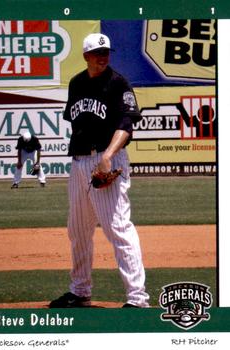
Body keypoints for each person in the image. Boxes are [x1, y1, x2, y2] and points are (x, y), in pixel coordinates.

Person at [50, 33, 150, 308]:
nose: (103, 56)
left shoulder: (118, 83)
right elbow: (77, 122)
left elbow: (127, 123)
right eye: (97, 52)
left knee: (118, 228)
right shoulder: (77, 83)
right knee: (78, 230)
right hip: (80, 163)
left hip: (108, 160)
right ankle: (80, 290)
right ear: (86, 56)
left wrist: (107, 155)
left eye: (106, 51)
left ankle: (137, 298)